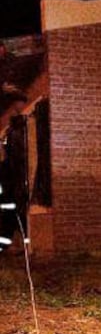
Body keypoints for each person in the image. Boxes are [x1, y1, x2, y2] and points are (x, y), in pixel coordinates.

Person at [0, 87, 30, 251]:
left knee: (16, 211)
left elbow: (18, 156)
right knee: (11, 213)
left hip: (15, 180)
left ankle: (22, 244)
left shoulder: (19, 129)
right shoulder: (13, 130)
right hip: (11, 181)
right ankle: (8, 244)